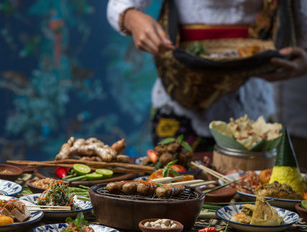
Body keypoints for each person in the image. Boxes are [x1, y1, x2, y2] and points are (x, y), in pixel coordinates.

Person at [107, 0, 307, 152]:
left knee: (250, 196)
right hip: (180, 106)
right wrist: (132, 18)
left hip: (252, 111)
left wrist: (303, 62)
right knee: (175, 193)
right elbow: (118, 6)